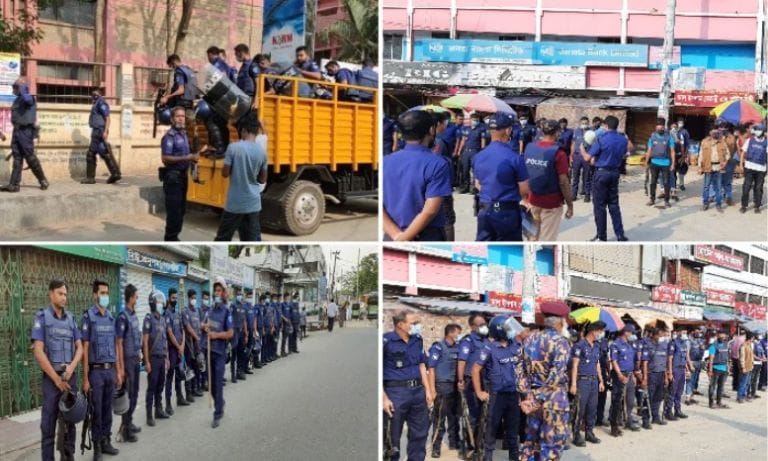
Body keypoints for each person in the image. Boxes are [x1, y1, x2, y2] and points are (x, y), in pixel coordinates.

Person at [31, 280, 83, 461]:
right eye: (60, 293)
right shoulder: (42, 318)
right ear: (51, 294)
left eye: (65, 294)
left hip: (70, 379)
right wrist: (56, 379)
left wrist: (72, 367)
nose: (64, 297)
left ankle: (68, 457)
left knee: (70, 422)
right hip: (52, 382)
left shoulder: (71, 319)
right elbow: (38, 351)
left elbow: (80, 348)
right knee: (48, 427)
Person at [383, 110, 452, 241]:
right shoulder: (438, 164)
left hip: (392, 235)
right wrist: (403, 238)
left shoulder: (386, 161)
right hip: (425, 236)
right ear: (431, 130)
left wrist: (396, 235)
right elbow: (430, 211)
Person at [516, 301, 571, 460]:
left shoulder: (529, 340)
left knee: (532, 443)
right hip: (553, 402)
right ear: (560, 322)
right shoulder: (561, 343)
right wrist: (537, 399)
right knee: (551, 445)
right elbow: (556, 376)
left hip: (532, 401)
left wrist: (528, 397)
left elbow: (520, 371)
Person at [382, 311, 432, 461]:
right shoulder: (386, 342)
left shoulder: (417, 340)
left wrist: (428, 391)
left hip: (418, 392)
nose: (418, 326)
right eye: (414, 323)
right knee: (392, 437)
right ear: (400, 325)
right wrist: (383, 398)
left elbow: (421, 365)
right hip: (395, 393)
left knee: (420, 434)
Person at [473, 113, 530, 241]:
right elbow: (524, 189)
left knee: (484, 251)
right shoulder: (514, 158)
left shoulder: (479, 156)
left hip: (485, 209)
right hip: (506, 211)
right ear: (508, 130)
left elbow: (477, 184)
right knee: (510, 253)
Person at [472, 316, 522, 461]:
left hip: (513, 395)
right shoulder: (489, 348)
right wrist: (479, 391)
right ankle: (487, 457)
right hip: (496, 395)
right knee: (491, 430)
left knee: (513, 431)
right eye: (508, 328)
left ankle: (514, 457)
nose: (512, 330)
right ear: (500, 330)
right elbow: (475, 369)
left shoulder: (516, 345)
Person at [80, 279, 120, 459]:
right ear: (95, 294)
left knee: (107, 408)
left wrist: (118, 370)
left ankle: (106, 441)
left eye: (106, 293)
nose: (105, 296)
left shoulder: (111, 318)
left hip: (110, 370)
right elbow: (85, 348)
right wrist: (85, 378)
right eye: (102, 293)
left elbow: (115, 345)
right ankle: (96, 446)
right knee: (96, 410)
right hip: (95, 371)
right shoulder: (89, 317)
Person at [214, 113, 268, 241]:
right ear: (256, 132)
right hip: (253, 203)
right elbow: (262, 179)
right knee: (252, 239)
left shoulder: (233, 148)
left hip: (235, 203)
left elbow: (225, 173)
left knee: (223, 238)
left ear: (244, 131)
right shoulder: (262, 152)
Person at [579, 115, 628, 242]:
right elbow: (627, 151)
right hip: (614, 174)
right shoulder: (622, 140)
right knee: (614, 205)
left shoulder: (601, 139)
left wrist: (582, 150)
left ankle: (602, 236)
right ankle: (620, 234)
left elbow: (587, 158)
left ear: (605, 126)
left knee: (599, 206)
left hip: (601, 174)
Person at [523, 119, 573, 241]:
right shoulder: (559, 154)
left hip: (532, 200)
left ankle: (530, 258)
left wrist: (524, 199)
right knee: (547, 241)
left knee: (532, 238)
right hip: (551, 203)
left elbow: (524, 175)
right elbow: (564, 182)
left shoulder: (529, 148)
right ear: (557, 133)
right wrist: (570, 205)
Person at [160, 107, 205, 240]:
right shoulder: (169, 137)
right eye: (178, 116)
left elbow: (190, 153)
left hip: (182, 177)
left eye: (183, 116)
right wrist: (188, 158)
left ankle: (174, 237)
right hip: (173, 177)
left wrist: (200, 152)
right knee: (174, 212)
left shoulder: (184, 135)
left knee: (181, 211)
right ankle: (170, 238)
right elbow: (165, 158)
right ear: (172, 119)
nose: (181, 119)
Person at [1, 77, 48, 192]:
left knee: (30, 157)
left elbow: (27, 100)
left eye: (15, 87)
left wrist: (23, 87)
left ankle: (42, 180)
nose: (13, 89)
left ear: (21, 88)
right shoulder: (17, 100)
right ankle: (14, 184)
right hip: (17, 131)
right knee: (17, 158)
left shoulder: (29, 98)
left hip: (26, 131)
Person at [202, 278, 234, 428]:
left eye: (219, 291)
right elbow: (203, 324)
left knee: (218, 385)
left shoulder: (226, 311)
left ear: (223, 293)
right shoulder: (210, 310)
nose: (216, 293)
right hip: (209, 352)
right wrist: (205, 327)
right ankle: (220, 402)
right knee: (212, 386)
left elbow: (230, 333)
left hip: (220, 353)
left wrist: (216, 335)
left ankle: (217, 413)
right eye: (215, 291)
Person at [427, 323, 462, 458]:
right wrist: (432, 390)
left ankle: (454, 441)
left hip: (455, 387)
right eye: (458, 333)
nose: (459, 336)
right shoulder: (438, 347)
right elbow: (431, 369)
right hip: (442, 386)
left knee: (454, 417)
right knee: (440, 419)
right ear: (451, 333)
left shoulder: (458, 348)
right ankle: (436, 447)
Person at [457, 313, 489, 454]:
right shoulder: (468, 341)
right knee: (472, 415)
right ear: (472, 326)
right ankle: (469, 447)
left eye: (484, 324)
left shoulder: (486, 340)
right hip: (471, 381)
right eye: (480, 325)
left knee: (484, 415)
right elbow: (461, 362)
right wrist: (460, 380)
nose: (484, 327)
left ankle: (479, 445)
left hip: (485, 381)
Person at [570, 321, 606, 444]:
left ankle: (589, 433)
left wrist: (601, 381)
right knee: (580, 409)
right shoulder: (579, 345)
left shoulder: (596, 346)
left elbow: (597, 364)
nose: (601, 334)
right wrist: (573, 384)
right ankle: (576, 435)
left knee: (592, 409)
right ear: (593, 331)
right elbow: (575, 365)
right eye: (600, 331)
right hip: (582, 381)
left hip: (594, 382)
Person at [115, 284, 142, 443]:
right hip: (127, 362)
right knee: (128, 395)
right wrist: (121, 368)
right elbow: (119, 343)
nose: (137, 299)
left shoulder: (133, 315)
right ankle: (125, 429)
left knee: (135, 393)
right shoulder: (123, 317)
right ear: (131, 297)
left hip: (135, 359)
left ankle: (129, 422)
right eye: (136, 296)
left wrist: (140, 357)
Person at [81, 89, 121, 184]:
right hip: (97, 130)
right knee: (104, 152)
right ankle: (115, 173)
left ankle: (90, 178)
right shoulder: (97, 103)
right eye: (92, 94)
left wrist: (105, 131)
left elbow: (107, 118)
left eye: (95, 94)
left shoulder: (101, 102)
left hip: (99, 131)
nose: (93, 96)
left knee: (91, 153)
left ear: (99, 94)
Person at [144, 290, 170, 426]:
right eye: (158, 302)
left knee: (161, 384)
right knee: (152, 387)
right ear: (153, 303)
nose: (161, 304)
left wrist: (167, 358)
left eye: (161, 302)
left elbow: (164, 340)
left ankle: (158, 410)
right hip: (153, 359)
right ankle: (149, 414)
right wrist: (146, 361)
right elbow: (145, 341)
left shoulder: (163, 320)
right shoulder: (148, 319)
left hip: (161, 358)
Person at [430, 111, 457, 241]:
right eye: (444, 123)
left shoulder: (425, 140)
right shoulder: (439, 142)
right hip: (441, 187)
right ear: (438, 124)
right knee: (447, 219)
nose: (445, 126)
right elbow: (439, 164)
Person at [609, 324, 640, 434]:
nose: (632, 335)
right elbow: (614, 361)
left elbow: (633, 361)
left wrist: (635, 374)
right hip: (620, 375)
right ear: (626, 332)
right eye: (631, 332)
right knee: (617, 401)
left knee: (630, 401)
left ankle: (628, 421)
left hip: (630, 375)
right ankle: (615, 425)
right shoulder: (616, 344)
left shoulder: (630, 345)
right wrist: (620, 375)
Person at [644, 118, 676, 208]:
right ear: (656, 127)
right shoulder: (652, 137)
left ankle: (666, 200)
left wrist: (673, 164)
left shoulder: (669, 137)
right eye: (658, 126)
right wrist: (646, 162)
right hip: (654, 163)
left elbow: (672, 151)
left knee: (666, 183)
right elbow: (649, 150)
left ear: (664, 127)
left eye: (661, 126)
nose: (660, 128)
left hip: (666, 163)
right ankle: (652, 199)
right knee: (653, 182)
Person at [698, 126, 729, 211]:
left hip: (718, 167)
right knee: (706, 186)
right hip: (708, 167)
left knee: (718, 187)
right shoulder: (704, 142)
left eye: (716, 131)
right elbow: (700, 155)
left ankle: (718, 204)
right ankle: (705, 203)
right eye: (713, 131)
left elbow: (727, 154)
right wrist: (699, 167)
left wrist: (725, 163)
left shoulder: (722, 143)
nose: (715, 133)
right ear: (710, 132)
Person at [456, 113, 488, 193]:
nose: (475, 121)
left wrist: (482, 152)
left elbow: (483, 142)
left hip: (475, 151)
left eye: (477, 120)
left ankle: (474, 187)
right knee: (465, 170)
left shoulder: (481, 129)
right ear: (470, 120)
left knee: (475, 170)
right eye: (474, 120)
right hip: (466, 151)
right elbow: (463, 141)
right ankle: (465, 187)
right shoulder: (466, 129)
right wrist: (459, 151)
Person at [182, 289, 205, 400]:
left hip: (197, 345)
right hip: (189, 345)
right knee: (189, 369)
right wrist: (196, 336)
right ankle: (188, 393)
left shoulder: (197, 311)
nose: (194, 300)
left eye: (195, 298)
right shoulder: (185, 311)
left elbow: (199, 325)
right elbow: (187, 327)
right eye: (192, 298)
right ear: (189, 298)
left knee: (197, 367)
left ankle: (195, 389)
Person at [646, 322, 670, 425]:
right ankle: (646, 419)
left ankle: (656, 417)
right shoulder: (648, 345)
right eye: (659, 335)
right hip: (651, 373)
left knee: (658, 396)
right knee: (648, 397)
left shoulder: (664, 345)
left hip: (661, 373)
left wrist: (666, 375)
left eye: (662, 335)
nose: (661, 337)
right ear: (654, 335)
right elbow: (645, 361)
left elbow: (664, 361)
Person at [739, 122, 766, 213]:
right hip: (749, 167)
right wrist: (741, 165)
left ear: (763, 131)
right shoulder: (749, 140)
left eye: (760, 130)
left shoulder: (766, 142)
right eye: (757, 130)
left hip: (761, 169)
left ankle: (757, 206)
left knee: (758, 188)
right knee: (746, 187)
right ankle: (744, 205)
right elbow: (743, 152)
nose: (758, 132)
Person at [666, 326, 691, 419]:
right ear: (678, 332)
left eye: (685, 332)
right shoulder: (673, 343)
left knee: (679, 392)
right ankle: (668, 411)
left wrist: (687, 369)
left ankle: (678, 410)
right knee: (672, 391)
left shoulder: (684, 343)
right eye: (683, 332)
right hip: (675, 369)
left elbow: (685, 357)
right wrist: (670, 372)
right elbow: (670, 358)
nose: (685, 334)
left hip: (682, 369)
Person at [571, 116, 592, 202]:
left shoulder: (591, 132)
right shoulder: (576, 131)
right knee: (575, 176)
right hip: (577, 156)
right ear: (580, 123)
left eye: (586, 123)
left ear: (588, 123)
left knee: (587, 176)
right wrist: (571, 156)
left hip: (587, 156)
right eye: (583, 123)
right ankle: (574, 194)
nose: (584, 125)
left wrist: (592, 156)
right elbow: (573, 143)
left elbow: (594, 145)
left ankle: (587, 195)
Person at [233, 44, 260, 112]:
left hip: (250, 99)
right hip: (242, 98)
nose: (236, 57)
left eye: (236, 54)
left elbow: (258, 83)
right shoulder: (243, 66)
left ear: (241, 53)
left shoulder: (252, 65)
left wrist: (256, 100)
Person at [708, 330, 731, 409]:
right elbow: (711, 359)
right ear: (717, 336)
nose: (722, 338)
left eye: (723, 336)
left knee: (721, 387)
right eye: (720, 336)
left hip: (724, 368)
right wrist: (710, 370)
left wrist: (728, 368)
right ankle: (711, 403)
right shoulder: (713, 346)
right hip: (715, 368)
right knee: (712, 386)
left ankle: (719, 402)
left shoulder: (726, 345)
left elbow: (727, 358)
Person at [230, 288, 248, 381]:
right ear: (235, 296)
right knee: (234, 354)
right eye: (238, 294)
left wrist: (246, 333)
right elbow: (229, 319)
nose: (240, 296)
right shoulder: (233, 306)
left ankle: (239, 372)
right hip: (234, 333)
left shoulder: (243, 306)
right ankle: (233, 374)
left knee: (241, 353)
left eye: (241, 294)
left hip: (241, 333)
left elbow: (244, 320)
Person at [685, 329, 705, 404]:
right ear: (692, 331)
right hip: (691, 362)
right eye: (696, 331)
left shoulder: (699, 340)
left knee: (695, 381)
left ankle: (692, 397)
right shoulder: (688, 341)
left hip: (698, 362)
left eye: (699, 332)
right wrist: (689, 364)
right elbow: (687, 354)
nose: (698, 333)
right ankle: (687, 398)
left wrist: (702, 349)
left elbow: (702, 352)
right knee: (689, 380)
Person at [738, 333, 755, 403]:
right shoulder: (743, 346)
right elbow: (742, 357)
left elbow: (751, 356)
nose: (753, 339)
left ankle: (744, 396)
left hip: (750, 367)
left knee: (747, 383)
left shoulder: (749, 345)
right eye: (753, 338)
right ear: (750, 338)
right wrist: (743, 367)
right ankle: (740, 397)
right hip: (745, 367)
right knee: (743, 383)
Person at [675, 117, 691, 191]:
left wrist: (686, 154)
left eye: (682, 122)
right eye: (679, 122)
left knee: (682, 169)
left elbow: (687, 144)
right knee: (674, 169)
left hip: (682, 153)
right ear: (677, 123)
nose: (680, 123)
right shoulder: (673, 131)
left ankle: (681, 184)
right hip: (674, 153)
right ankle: (673, 184)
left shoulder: (685, 132)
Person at [749, 332, 764, 399]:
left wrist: (764, 358)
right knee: (751, 379)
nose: (760, 337)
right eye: (759, 335)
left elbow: (762, 352)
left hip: (759, 363)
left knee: (755, 379)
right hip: (754, 363)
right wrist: (759, 358)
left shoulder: (759, 343)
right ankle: (748, 393)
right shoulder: (753, 343)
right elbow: (752, 354)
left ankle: (753, 393)